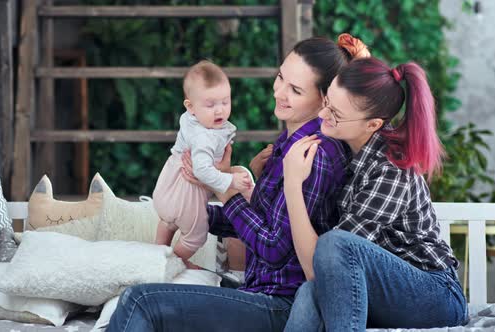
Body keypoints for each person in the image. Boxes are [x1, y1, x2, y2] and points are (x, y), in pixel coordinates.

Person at [106, 34, 366, 332]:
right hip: (256, 292)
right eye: (280, 77)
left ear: (324, 99)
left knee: (141, 301)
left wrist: (224, 189)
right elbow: (257, 222)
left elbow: (273, 247)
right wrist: (190, 208)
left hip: (281, 304)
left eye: (294, 90)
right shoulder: (286, 143)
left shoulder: (313, 154)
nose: (279, 92)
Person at [282, 57, 468, 331]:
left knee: (334, 244)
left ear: (373, 125)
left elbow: (321, 265)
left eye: (335, 114)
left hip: (435, 295)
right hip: (381, 290)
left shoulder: (391, 169)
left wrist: (292, 185)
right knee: (310, 294)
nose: (323, 115)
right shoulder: (343, 146)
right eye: (327, 103)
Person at [152, 60, 252, 264]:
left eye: (225, 102)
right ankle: (173, 262)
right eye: (211, 105)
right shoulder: (205, 136)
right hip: (187, 194)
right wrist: (230, 181)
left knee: (169, 222)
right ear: (191, 106)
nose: (220, 111)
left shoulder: (190, 119)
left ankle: (156, 251)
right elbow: (201, 171)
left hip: (168, 187)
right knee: (196, 236)